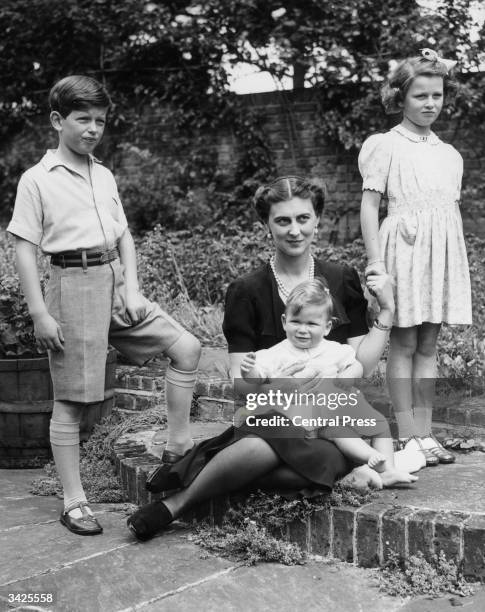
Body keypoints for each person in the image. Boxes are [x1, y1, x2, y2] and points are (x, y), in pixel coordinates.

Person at [127, 175, 403, 542]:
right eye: (282, 220)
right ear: (266, 225)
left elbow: (360, 367)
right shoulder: (247, 291)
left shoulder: (342, 279)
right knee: (273, 443)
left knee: (289, 465)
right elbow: (243, 386)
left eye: (303, 219)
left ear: (317, 220)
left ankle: (209, 477)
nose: (294, 230)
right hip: (270, 414)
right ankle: (177, 505)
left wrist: (386, 312)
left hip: (330, 421)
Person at [7, 75, 201, 535]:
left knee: (187, 347)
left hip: (114, 284)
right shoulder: (37, 180)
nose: (93, 129)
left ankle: (177, 448)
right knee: (72, 404)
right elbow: (23, 250)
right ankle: (74, 502)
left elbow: (124, 235)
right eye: (83, 120)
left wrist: (132, 289)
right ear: (57, 120)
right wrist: (39, 313)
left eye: (100, 120)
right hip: (71, 288)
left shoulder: (104, 172)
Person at [359, 49, 472, 467]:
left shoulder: (450, 154)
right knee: (403, 342)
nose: (430, 104)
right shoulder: (385, 145)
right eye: (420, 95)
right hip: (401, 254)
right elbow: (370, 208)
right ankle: (407, 435)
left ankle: (425, 433)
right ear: (400, 98)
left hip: (437, 257)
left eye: (437, 95)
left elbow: (445, 217)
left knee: (429, 343)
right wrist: (376, 266)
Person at [240, 278, 417, 486]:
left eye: (312, 324)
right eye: (296, 322)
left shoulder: (334, 350)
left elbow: (357, 365)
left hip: (338, 412)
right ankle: (372, 460)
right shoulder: (277, 353)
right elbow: (258, 376)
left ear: (327, 326)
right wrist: (249, 369)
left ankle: (388, 469)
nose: (302, 330)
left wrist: (349, 373)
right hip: (304, 421)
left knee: (379, 425)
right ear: (284, 321)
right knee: (338, 431)